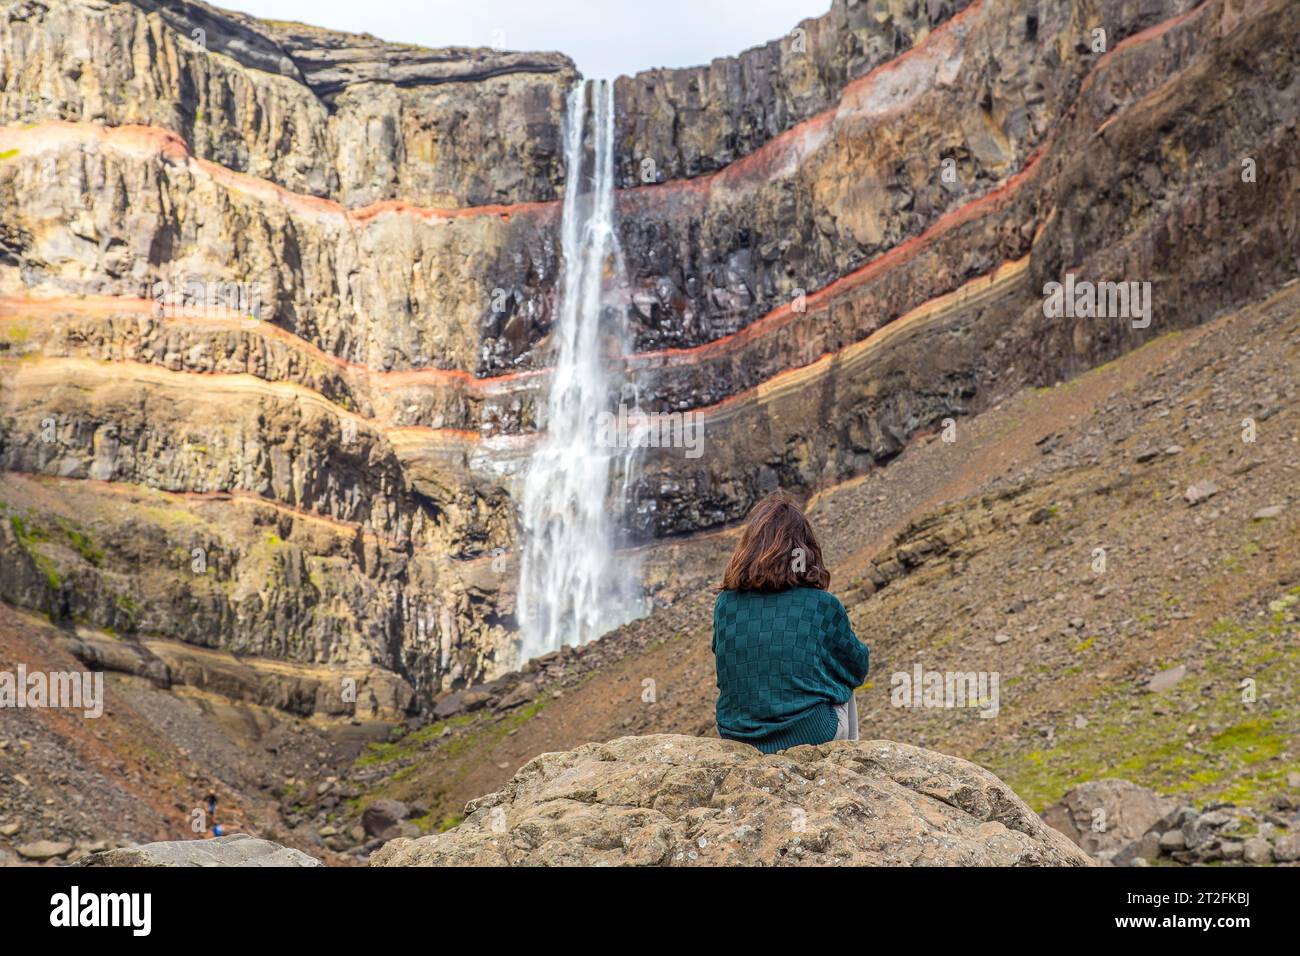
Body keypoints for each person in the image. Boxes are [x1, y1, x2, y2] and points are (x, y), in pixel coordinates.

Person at [712, 492, 869, 753]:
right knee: (846, 690)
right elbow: (857, 667)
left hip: (736, 735)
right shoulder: (821, 604)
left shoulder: (725, 604)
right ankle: (848, 765)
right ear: (805, 550)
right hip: (807, 733)